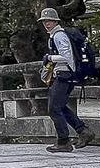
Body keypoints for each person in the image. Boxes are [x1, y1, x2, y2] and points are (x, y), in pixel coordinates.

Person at [39, 8, 91, 153]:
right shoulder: (55, 35)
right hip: (65, 74)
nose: (46, 24)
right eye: (44, 21)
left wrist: (49, 58)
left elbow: (67, 57)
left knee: (54, 109)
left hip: (64, 75)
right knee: (60, 106)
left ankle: (63, 141)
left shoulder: (59, 36)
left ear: (56, 21)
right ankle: (83, 131)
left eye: (49, 21)